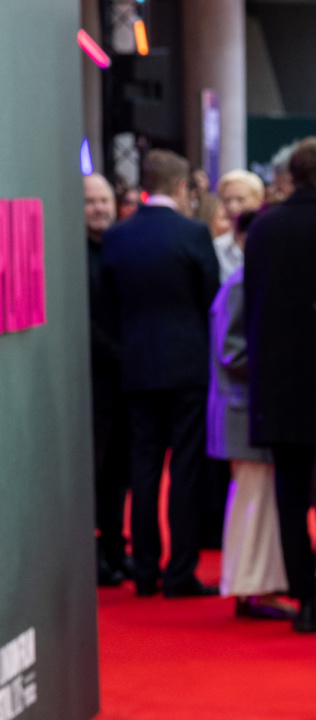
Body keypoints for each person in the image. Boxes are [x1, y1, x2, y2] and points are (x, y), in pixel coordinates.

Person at [100, 149, 221, 598]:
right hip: (188, 365)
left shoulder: (117, 237)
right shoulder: (193, 233)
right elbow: (211, 298)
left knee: (145, 466)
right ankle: (180, 572)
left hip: (136, 365)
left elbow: (108, 303)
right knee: (186, 468)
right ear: (181, 187)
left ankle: (146, 569)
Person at [243, 137, 316, 633]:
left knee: (290, 500)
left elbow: (251, 305)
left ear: (291, 174)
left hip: (279, 383)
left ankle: (305, 600)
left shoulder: (264, 227)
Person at [206, 210, 292, 620]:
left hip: (246, 408)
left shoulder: (246, 282)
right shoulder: (242, 284)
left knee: (256, 500)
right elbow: (232, 351)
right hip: (243, 408)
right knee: (253, 501)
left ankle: (257, 586)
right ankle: (251, 588)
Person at [86, 173, 131, 587]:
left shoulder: (121, 246)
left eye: (103, 201)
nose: (98, 208)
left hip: (124, 382)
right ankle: (95, 554)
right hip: (91, 383)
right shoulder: (74, 255)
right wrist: (122, 357)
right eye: (90, 202)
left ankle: (117, 548)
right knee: (94, 474)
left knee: (120, 472)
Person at [211, 170, 266, 282]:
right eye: (227, 200)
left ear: (259, 201)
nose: (232, 206)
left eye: (240, 199)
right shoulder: (217, 248)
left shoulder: (271, 245)